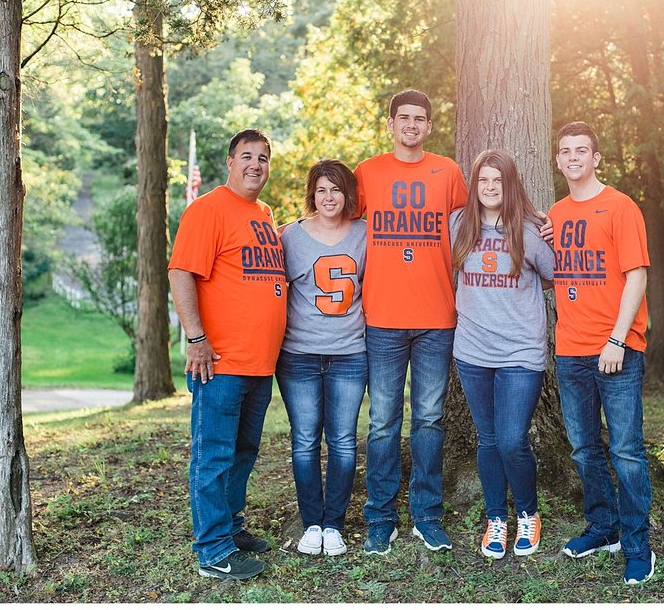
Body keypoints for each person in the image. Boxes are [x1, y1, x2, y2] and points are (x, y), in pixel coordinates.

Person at [353, 89, 469, 554]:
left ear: (429, 126)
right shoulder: (368, 173)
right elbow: (335, 217)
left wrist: (535, 219)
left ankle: (426, 515)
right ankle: (380, 517)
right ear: (390, 123)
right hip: (381, 318)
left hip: (437, 318)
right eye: (404, 117)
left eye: (420, 118)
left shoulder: (449, 172)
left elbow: (480, 221)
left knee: (429, 421)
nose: (412, 125)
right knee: (382, 422)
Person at [168, 128, 286, 581]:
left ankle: (231, 529)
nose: (256, 165)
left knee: (243, 452)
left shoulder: (264, 214)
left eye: (264, 158)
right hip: (220, 363)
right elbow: (181, 272)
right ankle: (214, 550)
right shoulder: (208, 209)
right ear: (230, 162)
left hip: (260, 363)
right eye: (247, 156)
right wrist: (196, 338)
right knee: (214, 455)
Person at [548, 121, 655, 584]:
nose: (573, 157)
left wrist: (616, 339)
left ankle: (637, 546)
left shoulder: (620, 207)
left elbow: (637, 276)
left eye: (582, 150)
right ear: (558, 160)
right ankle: (603, 527)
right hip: (570, 350)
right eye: (566, 151)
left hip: (617, 351)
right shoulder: (555, 214)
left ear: (596, 158)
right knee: (584, 449)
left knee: (626, 451)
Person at [449, 150, 555, 560]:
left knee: (512, 440)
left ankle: (528, 513)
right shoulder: (459, 224)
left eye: (497, 181)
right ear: (474, 185)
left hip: (520, 351)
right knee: (488, 439)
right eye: (483, 181)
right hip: (472, 350)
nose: (490, 188)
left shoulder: (529, 230)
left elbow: (552, 275)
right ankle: (497, 517)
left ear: (509, 185)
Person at [275, 159, 367, 557]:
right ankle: (312, 521)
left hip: (350, 352)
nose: (329, 197)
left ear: (348, 194)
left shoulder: (365, 234)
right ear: (312, 194)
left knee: (345, 442)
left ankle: (335, 523)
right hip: (299, 355)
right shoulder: (288, 237)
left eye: (337, 189)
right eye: (322, 189)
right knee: (305, 440)